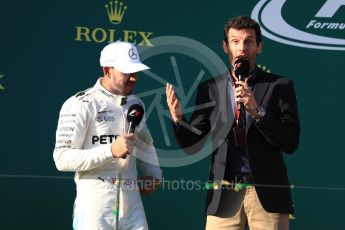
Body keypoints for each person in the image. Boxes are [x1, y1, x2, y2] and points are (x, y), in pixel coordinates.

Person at [166, 16, 300, 230]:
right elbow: (193, 143)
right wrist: (179, 119)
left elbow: (291, 142)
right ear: (225, 47)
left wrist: (257, 112)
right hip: (224, 195)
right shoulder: (210, 88)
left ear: (259, 47)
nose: (242, 48)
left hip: (267, 195)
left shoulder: (279, 86)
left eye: (249, 41)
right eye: (235, 41)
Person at [53, 41, 162, 230]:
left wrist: (154, 175)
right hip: (94, 211)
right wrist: (110, 151)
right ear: (107, 70)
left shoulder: (137, 104)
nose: (134, 78)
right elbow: (62, 159)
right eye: (127, 72)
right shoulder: (81, 104)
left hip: (133, 209)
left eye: (136, 72)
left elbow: (146, 142)